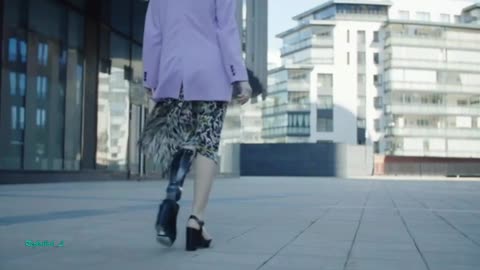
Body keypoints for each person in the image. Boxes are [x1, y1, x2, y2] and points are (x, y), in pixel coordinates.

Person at [139, 0, 252, 251]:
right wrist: (239, 77)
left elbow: (154, 32)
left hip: (174, 73)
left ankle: (171, 198)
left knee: (182, 140)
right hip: (211, 73)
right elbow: (226, 29)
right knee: (207, 145)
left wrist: (151, 75)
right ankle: (196, 219)